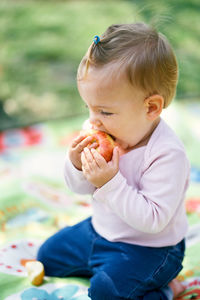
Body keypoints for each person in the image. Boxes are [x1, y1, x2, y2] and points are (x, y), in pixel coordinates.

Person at [37, 23, 190, 299]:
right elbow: (81, 189)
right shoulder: (102, 129)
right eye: (89, 107)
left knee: (105, 292)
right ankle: (109, 269)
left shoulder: (167, 154)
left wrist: (109, 183)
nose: (93, 120)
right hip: (101, 231)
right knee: (47, 257)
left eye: (105, 111)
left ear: (151, 107)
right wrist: (76, 165)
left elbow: (153, 220)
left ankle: (165, 290)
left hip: (150, 249)